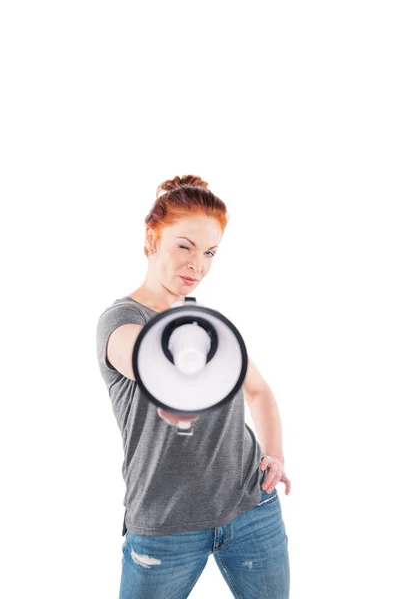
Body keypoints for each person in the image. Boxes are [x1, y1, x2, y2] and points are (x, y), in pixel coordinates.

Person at [96, 174, 291, 598]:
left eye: (209, 253)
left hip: (251, 510)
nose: (197, 265)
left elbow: (259, 391)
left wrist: (275, 454)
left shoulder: (210, 326)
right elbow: (149, 362)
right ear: (152, 239)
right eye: (184, 246)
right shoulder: (122, 322)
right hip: (165, 527)